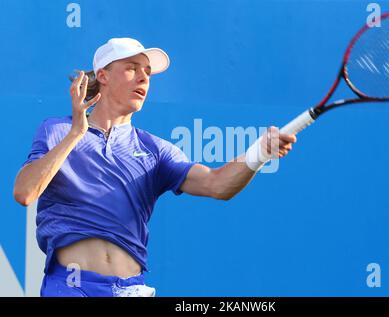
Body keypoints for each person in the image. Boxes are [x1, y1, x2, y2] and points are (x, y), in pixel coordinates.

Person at [13, 37, 297, 297]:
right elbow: (25, 192)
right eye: (132, 68)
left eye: (147, 72)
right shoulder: (57, 130)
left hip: (130, 289)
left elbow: (217, 184)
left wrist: (260, 153)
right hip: (70, 287)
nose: (143, 78)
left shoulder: (155, 150)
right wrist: (77, 133)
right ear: (103, 75)